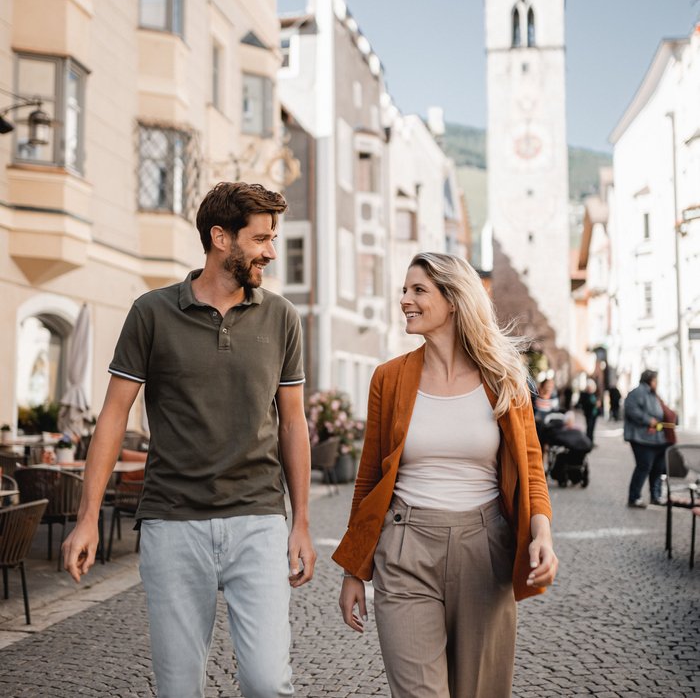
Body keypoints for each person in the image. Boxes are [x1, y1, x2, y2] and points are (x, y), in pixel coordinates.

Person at [62, 182, 316, 698]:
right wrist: (87, 517)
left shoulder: (281, 317)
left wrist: (302, 524)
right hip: (173, 521)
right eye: (261, 238)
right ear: (220, 238)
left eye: (273, 237)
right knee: (179, 689)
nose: (270, 250)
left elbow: (293, 423)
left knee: (269, 683)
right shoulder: (151, 313)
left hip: (258, 520)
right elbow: (113, 415)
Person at [334, 252, 557, 698]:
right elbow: (368, 480)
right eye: (405, 290)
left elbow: (532, 467)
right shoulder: (389, 378)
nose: (405, 300)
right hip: (404, 548)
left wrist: (541, 534)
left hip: (485, 549)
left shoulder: (505, 377)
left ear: (453, 299)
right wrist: (354, 570)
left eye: (419, 290)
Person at [623, 369, 669, 508]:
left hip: (656, 438)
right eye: (656, 380)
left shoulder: (653, 394)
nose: (657, 383)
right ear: (650, 380)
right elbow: (631, 409)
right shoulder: (637, 392)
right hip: (641, 438)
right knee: (644, 466)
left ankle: (656, 495)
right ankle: (634, 497)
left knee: (658, 467)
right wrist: (648, 420)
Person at [578, 377, 600, 445]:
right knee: (589, 428)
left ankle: (591, 441)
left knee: (592, 428)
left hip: (594, 414)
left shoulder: (595, 394)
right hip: (588, 413)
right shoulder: (584, 394)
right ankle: (588, 442)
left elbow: (598, 401)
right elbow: (583, 403)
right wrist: (594, 404)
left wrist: (598, 404)